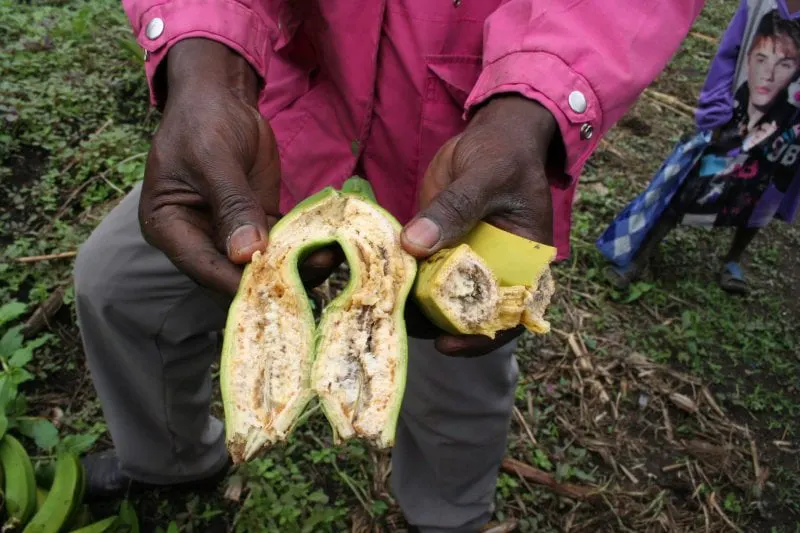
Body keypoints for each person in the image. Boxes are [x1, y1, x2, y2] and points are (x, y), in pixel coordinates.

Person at [73, 2, 703, 531]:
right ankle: (172, 461)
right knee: (117, 284)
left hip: (471, 151)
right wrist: (207, 61)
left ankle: (447, 518)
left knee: (460, 366)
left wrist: (533, 102)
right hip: (291, 127)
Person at [603, 0, 800, 295]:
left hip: (787, 127)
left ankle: (733, 259)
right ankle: (640, 256)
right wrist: (715, 108)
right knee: (694, 181)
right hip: (738, 115)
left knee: (764, 191)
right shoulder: (759, 5)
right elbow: (728, 54)